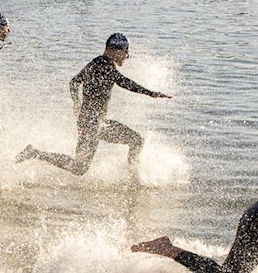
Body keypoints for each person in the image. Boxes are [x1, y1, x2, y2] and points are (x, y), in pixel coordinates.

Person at [17, 33, 171, 176]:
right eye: (126, 51)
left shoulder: (97, 62)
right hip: (91, 124)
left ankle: (134, 179)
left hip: (97, 123)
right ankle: (35, 153)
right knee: (79, 167)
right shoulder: (104, 64)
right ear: (116, 50)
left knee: (137, 140)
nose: (127, 56)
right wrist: (151, 93)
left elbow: (74, 82)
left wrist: (77, 103)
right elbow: (124, 82)